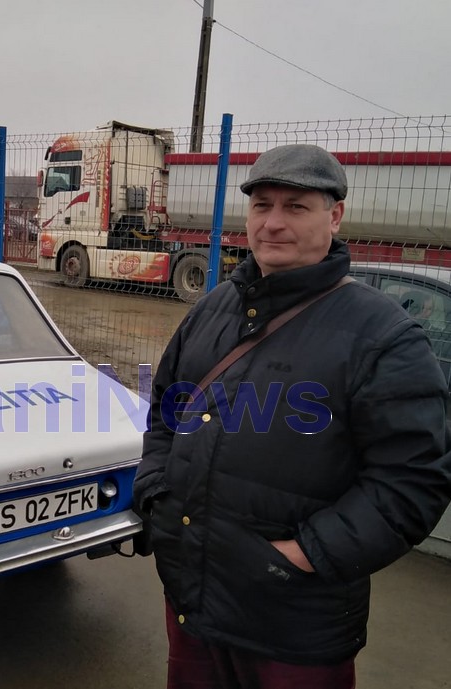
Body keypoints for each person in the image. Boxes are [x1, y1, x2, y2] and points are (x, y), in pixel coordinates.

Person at [132, 144, 451, 688]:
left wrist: (305, 555)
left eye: (295, 207)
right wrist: (156, 495)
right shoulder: (211, 309)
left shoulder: (384, 336)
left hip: (294, 627)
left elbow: (413, 480)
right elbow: (166, 411)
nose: (273, 223)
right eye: (262, 205)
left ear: (335, 215)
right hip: (192, 602)